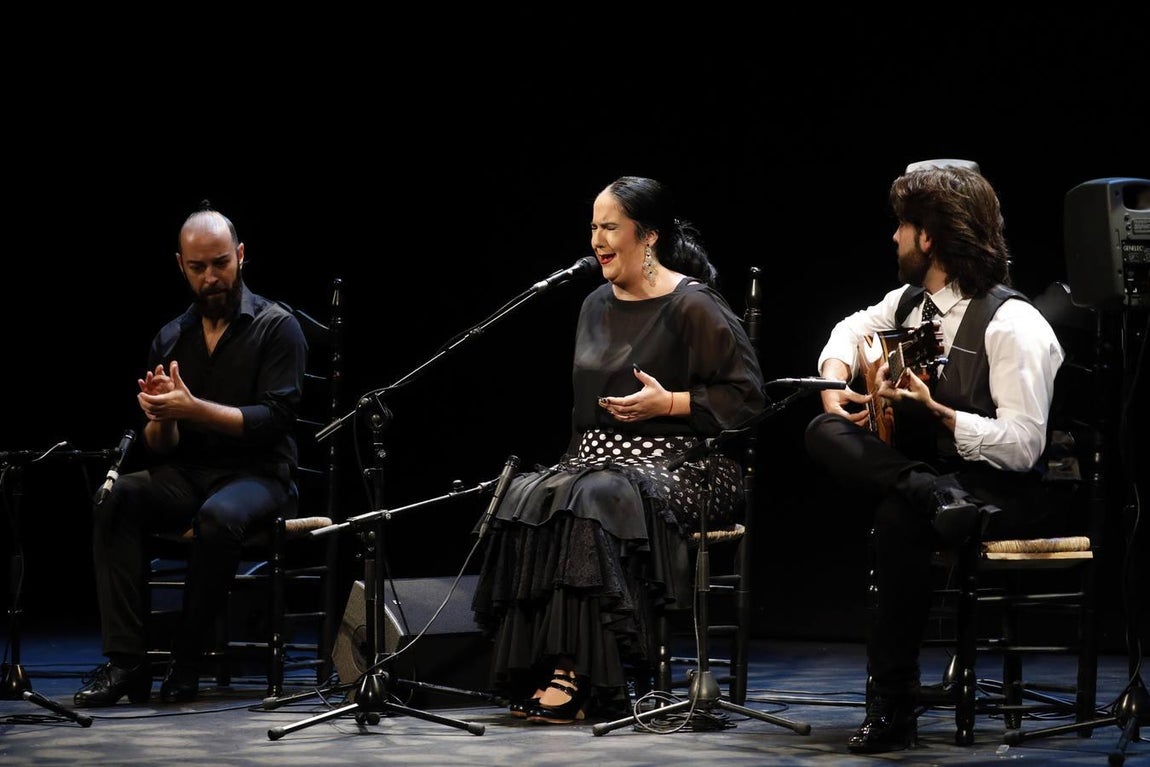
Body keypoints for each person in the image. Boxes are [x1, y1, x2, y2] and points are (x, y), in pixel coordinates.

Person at [470, 175, 766, 724]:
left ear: (647, 235)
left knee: (595, 497)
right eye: (593, 228)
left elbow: (748, 399)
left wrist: (670, 403)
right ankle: (541, 665)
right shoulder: (592, 304)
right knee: (527, 495)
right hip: (598, 459)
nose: (597, 240)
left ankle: (580, 675)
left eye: (610, 227)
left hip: (687, 462)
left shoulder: (693, 305)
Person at [804, 162, 1067, 753]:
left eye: (901, 226)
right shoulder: (910, 302)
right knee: (823, 427)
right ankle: (925, 489)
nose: (893, 238)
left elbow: (1024, 446)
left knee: (899, 517)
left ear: (928, 237)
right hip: (939, 483)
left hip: (1006, 488)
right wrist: (833, 378)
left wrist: (943, 414)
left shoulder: (1012, 324)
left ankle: (893, 709)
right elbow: (848, 328)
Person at [74, 203, 307, 706]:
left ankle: (186, 661)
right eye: (198, 267)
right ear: (180, 265)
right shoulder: (171, 337)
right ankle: (127, 664)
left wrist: (192, 406)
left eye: (220, 263)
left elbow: (275, 421)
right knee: (115, 498)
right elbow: (163, 449)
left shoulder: (276, 326)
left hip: (262, 476)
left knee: (218, 518)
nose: (211, 277)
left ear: (241, 256)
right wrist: (163, 416)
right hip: (192, 472)